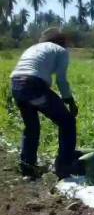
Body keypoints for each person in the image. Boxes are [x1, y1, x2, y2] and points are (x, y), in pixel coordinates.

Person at [10, 27, 78, 180]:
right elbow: (61, 79)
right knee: (67, 122)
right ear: (62, 42)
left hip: (16, 85)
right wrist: (70, 101)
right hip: (34, 86)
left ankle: (27, 168)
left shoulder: (34, 48)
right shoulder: (60, 51)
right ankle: (64, 165)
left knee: (31, 128)